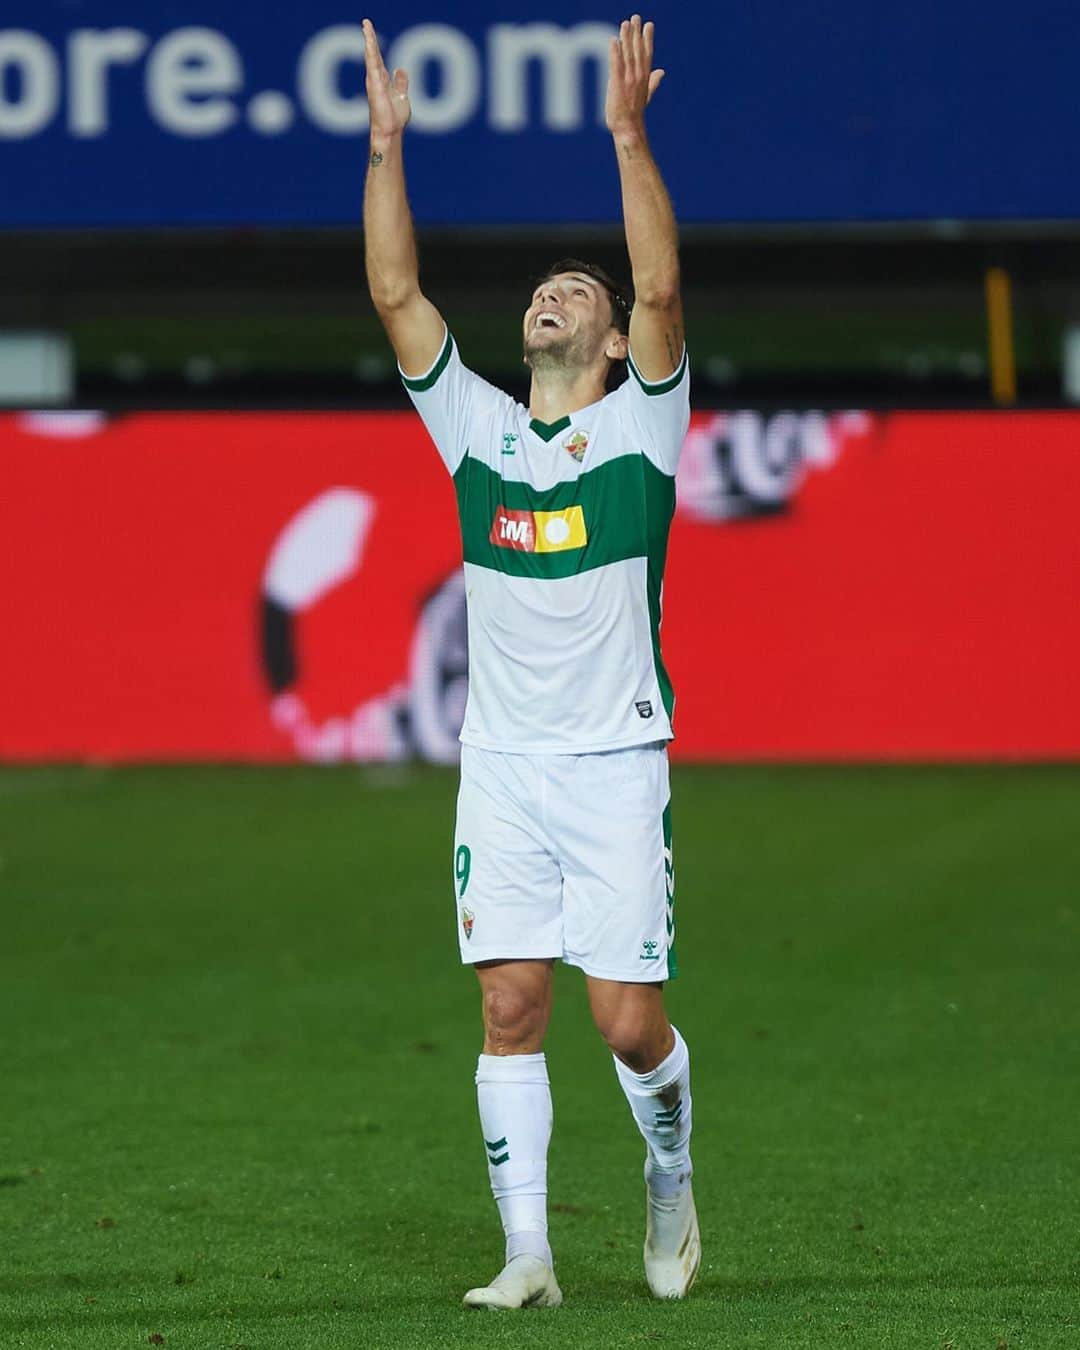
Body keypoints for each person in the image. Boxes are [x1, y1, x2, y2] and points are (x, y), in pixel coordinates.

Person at [362, 13, 697, 1310]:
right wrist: (388, 149)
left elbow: (663, 287)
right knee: (510, 1004)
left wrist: (626, 137)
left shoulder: (643, 431)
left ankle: (670, 1163)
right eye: (545, 291)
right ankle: (530, 1255)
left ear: (613, 344)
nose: (553, 298)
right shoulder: (479, 432)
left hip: (613, 757)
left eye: (583, 295)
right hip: (501, 762)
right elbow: (398, 294)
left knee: (624, 1020)